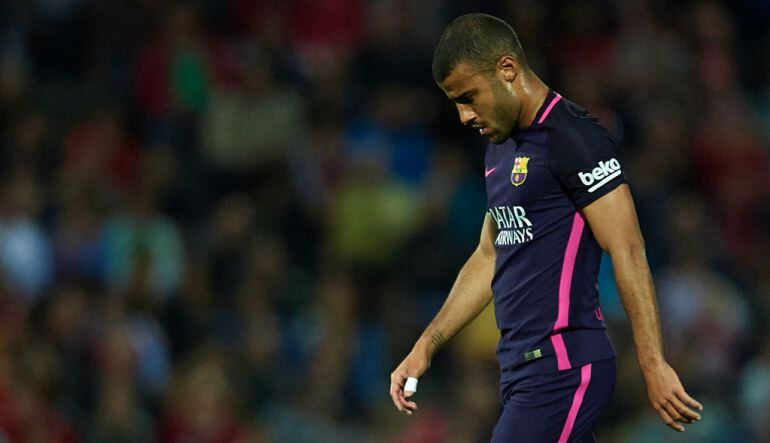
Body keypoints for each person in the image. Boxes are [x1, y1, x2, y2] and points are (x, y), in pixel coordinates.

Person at [389, 13, 703, 442]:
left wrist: (652, 364)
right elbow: (490, 254)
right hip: (520, 372)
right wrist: (424, 346)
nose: (464, 115)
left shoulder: (573, 135)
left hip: (563, 366)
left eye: (468, 96)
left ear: (506, 70)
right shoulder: (499, 151)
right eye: (455, 102)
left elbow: (628, 246)